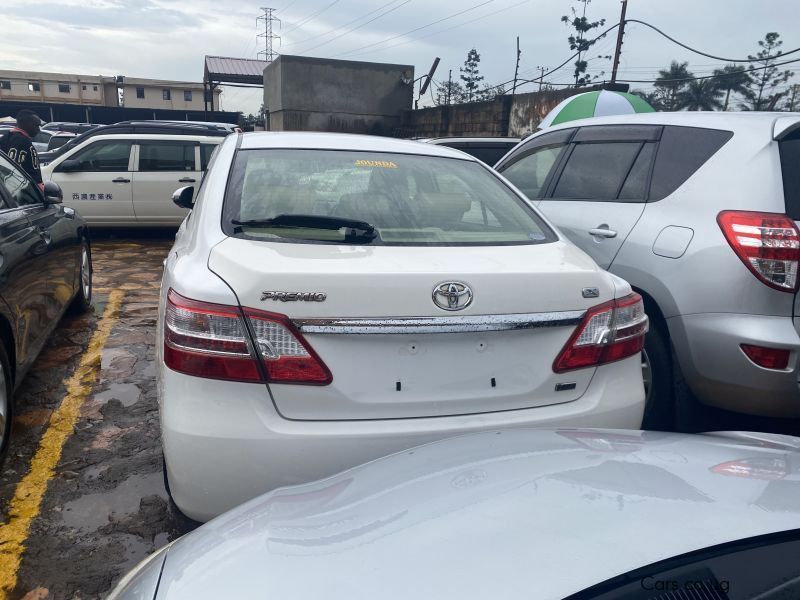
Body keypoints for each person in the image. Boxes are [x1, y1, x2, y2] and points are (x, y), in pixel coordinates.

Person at [1, 109, 44, 190]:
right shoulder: (23, 141)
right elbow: (14, 170)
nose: (38, 129)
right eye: (36, 125)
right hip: (24, 191)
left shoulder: (4, 138)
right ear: (25, 124)